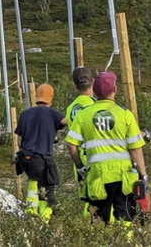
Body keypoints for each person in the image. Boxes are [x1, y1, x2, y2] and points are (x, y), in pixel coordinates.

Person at [65, 71, 147, 225]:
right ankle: (126, 242)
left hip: (97, 175)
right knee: (125, 215)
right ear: (114, 89)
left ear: (94, 89)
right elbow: (136, 149)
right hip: (123, 176)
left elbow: (71, 144)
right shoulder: (125, 114)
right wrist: (143, 175)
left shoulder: (83, 115)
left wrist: (80, 167)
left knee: (99, 218)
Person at [15, 83, 67, 222]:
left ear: (36, 97)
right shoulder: (52, 113)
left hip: (25, 160)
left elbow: (19, 142)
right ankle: (45, 220)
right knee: (48, 191)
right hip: (42, 159)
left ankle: (31, 214)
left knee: (34, 182)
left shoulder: (25, 114)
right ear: (51, 98)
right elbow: (67, 121)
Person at [66, 66, 96, 216]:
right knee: (98, 197)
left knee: (86, 197)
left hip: (78, 157)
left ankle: (87, 230)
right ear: (93, 82)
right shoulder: (94, 105)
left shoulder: (71, 107)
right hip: (94, 156)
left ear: (74, 85)